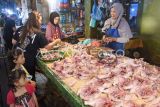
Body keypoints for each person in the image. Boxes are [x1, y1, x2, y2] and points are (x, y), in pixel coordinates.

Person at [17, 11, 59, 81]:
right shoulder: (38, 33)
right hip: (28, 61)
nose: (41, 22)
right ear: (36, 21)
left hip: (19, 60)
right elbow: (48, 47)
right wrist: (57, 41)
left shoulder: (24, 29)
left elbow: (26, 44)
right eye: (40, 20)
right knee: (30, 81)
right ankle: (31, 91)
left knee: (23, 80)